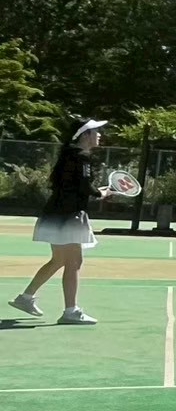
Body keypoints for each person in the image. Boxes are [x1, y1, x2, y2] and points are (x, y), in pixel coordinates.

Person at [9, 119, 110, 325]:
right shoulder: (81, 157)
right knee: (74, 262)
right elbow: (84, 187)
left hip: (55, 213)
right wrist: (101, 193)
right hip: (68, 216)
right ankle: (70, 311)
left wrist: (95, 191)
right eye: (96, 131)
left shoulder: (69, 155)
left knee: (59, 260)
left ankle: (25, 298)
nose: (99, 135)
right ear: (85, 135)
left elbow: (74, 186)